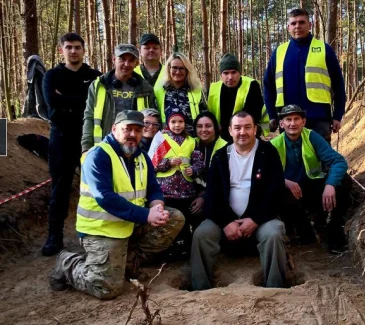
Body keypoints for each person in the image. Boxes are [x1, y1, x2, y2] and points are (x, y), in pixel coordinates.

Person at [50, 110, 184, 300]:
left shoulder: (142, 157)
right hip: (101, 230)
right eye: (127, 129)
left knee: (174, 218)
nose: (132, 134)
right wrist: (146, 215)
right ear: (114, 129)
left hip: (129, 224)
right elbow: (105, 197)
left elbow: (153, 187)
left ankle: (128, 261)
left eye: (138, 130)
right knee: (107, 289)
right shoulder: (98, 156)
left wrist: (156, 205)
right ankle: (67, 263)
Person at [191, 111, 287, 290]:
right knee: (201, 234)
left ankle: (275, 287)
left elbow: (276, 193)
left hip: (261, 219)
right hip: (226, 219)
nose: (242, 132)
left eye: (247, 127)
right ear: (230, 130)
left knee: (273, 233)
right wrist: (226, 221)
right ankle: (200, 287)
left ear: (255, 129)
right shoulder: (220, 157)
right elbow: (212, 196)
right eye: (237, 128)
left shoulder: (268, 153)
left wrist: (255, 219)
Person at [42, 33, 101, 256]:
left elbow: (97, 105)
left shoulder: (94, 76)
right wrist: (82, 99)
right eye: (69, 47)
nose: (73, 51)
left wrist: (66, 100)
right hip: (61, 139)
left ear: (84, 50)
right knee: (60, 188)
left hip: (90, 139)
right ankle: (54, 236)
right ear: (61, 50)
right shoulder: (51, 76)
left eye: (77, 47)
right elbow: (52, 106)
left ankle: (97, 234)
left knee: (97, 187)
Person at [270, 104, 349, 252]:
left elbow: (339, 161)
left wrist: (330, 185)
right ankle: (297, 228)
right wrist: (284, 181)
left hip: (312, 188)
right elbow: (265, 175)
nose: (292, 123)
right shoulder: (274, 145)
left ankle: (334, 229)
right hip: (289, 194)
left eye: (296, 119)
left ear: (303, 122)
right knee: (305, 237)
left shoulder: (312, 137)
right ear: (281, 124)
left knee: (344, 180)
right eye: (288, 119)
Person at [263, 8, 346, 143]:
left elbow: (338, 84)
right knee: (291, 162)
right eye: (294, 23)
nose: (298, 26)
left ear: (310, 25)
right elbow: (268, 86)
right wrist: (272, 115)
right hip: (288, 120)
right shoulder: (279, 52)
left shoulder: (324, 49)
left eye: (302, 22)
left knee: (320, 161)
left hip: (319, 119)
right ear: (288, 27)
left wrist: (337, 115)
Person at [81, 44, 155, 153]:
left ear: (136, 63)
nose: (126, 64)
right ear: (114, 59)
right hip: (103, 147)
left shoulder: (146, 89)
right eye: (122, 59)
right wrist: (86, 147)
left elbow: (151, 122)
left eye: (131, 60)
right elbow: (89, 117)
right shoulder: (98, 85)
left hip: (134, 148)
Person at [155, 108, 205, 257]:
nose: (177, 125)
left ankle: (188, 249)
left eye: (180, 121)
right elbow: (154, 162)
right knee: (171, 220)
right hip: (166, 190)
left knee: (187, 219)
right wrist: (168, 163)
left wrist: (194, 170)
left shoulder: (191, 141)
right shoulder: (161, 138)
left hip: (186, 189)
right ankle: (171, 249)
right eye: (173, 122)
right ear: (168, 123)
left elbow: (198, 161)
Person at [207, 53, 266, 142]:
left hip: (245, 135)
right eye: (226, 73)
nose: (230, 77)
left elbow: (253, 115)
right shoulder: (213, 88)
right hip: (219, 138)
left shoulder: (251, 85)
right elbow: (209, 114)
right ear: (221, 75)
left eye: (234, 72)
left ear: (240, 73)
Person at [154, 52, 206, 135]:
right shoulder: (159, 90)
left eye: (182, 68)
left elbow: (205, 116)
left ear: (187, 70)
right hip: (167, 141)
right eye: (174, 68)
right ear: (169, 68)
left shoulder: (196, 90)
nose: (178, 72)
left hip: (192, 141)